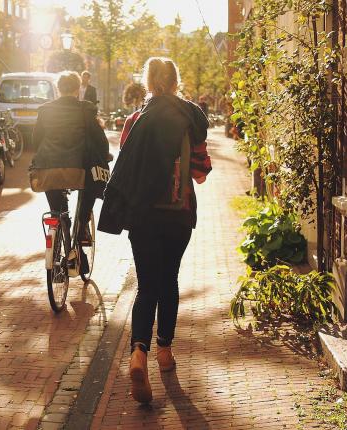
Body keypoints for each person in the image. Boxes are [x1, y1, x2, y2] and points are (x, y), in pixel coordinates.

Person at [98, 57, 212, 404]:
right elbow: (200, 171)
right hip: (178, 215)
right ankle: (165, 352)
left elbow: (126, 161)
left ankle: (138, 354)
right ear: (176, 82)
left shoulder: (135, 120)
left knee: (147, 286)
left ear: (148, 82)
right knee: (170, 280)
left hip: (143, 216)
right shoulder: (191, 117)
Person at [30, 71, 109, 269]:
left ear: (58, 89)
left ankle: (57, 243)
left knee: (57, 210)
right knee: (89, 191)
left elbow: (35, 140)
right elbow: (99, 140)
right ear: (78, 88)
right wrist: (105, 156)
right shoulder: (85, 109)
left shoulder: (45, 110)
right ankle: (81, 229)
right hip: (78, 169)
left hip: (47, 169)